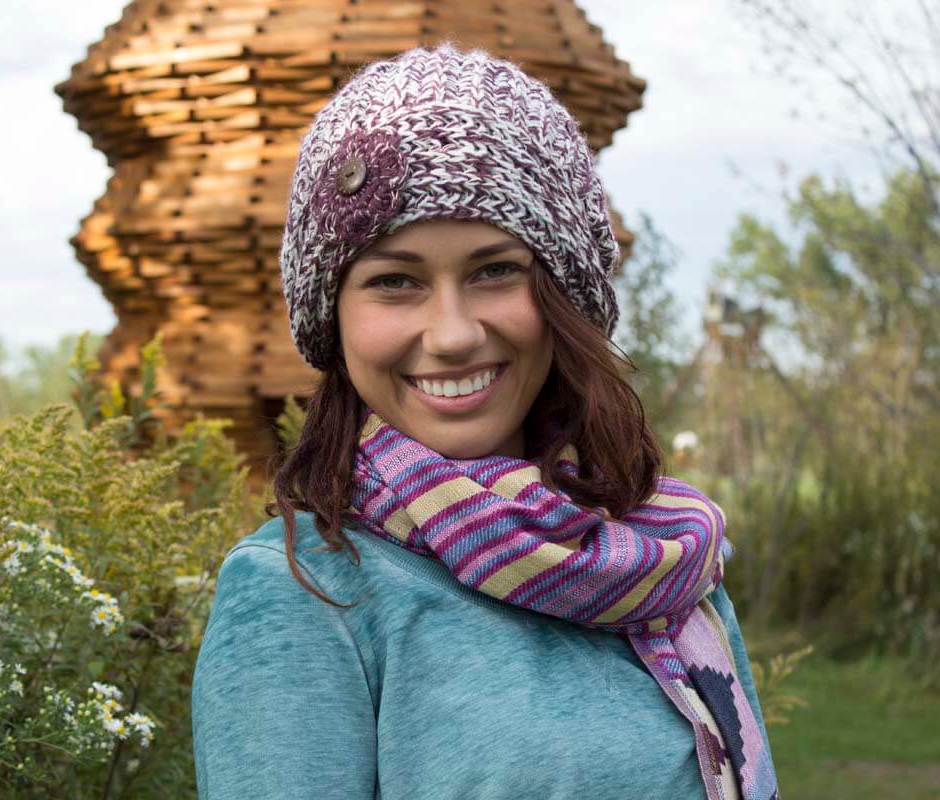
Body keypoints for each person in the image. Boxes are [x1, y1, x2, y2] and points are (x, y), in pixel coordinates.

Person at [191, 42, 777, 800]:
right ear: (332, 321)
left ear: (566, 294)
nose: (453, 331)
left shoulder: (665, 555)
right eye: (394, 280)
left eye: (494, 270)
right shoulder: (303, 594)